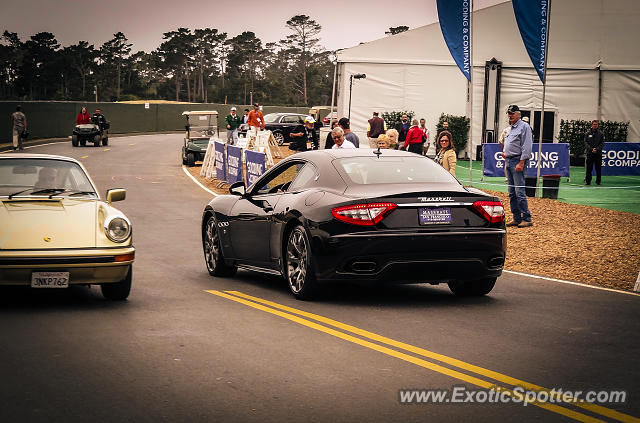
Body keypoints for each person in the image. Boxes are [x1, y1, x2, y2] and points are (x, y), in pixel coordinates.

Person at [502, 105, 533, 228]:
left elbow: (527, 146)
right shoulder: (511, 128)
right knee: (511, 192)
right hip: (509, 160)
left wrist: (522, 162)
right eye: (509, 113)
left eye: (513, 113)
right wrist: (506, 152)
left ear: (519, 114)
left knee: (519, 192)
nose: (510, 115)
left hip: (517, 161)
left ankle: (526, 218)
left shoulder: (524, 127)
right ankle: (516, 218)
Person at [584, 120, 605, 185]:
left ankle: (598, 181)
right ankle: (588, 181)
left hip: (598, 154)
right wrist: (591, 149)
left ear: (597, 125)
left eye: (596, 124)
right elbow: (585, 142)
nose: (595, 125)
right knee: (589, 168)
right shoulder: (587, 133)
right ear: (591, 125)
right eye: (594, 124)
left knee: (598, 168)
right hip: (590, 153)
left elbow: (602, 143)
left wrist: (597, 149)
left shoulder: (601, 133)